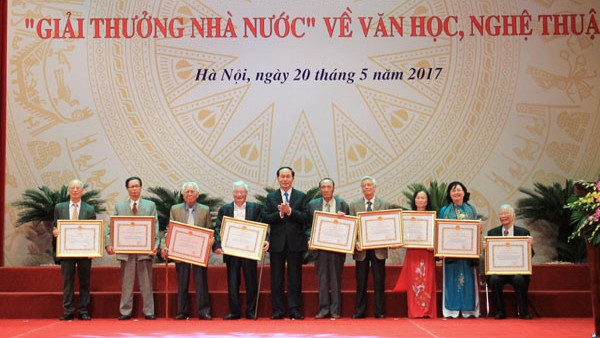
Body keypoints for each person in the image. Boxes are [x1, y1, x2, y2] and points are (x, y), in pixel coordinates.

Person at [105, 176, 160, 320]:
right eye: (132, 187)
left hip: (144, 250)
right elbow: (111, 227)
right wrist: (108, 244)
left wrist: (155, 245)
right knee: (127, 282)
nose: (134, 189)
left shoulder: (150, 205)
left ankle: (149, 311)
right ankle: (125, 312)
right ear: (127, 189)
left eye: (137, 186)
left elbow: (155, 227)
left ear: (141, 188)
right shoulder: (119, 206)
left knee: (146, 281)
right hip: (125, 251)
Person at [213, 181, 270, 320]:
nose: (239, 195)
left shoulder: (255, 208)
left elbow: (262, 226)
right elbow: (217, 229)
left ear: (246, 194)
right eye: (237, 192)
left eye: (242, 192)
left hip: (249, 252)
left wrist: (266, 240)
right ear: (233, 194)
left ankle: (251, 312)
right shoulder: (225, 209)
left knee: (251, 282)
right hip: (231, 252)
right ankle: (235, 312)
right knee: (233, 282)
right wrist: (217, 246)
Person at [263, 166, 310, 320]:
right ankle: (277, 310)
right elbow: (265, 217)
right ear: (277, 178)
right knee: (276, 278)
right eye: (282, 176)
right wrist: (280, 214)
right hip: (276, 243)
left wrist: (290, 211)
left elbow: (305, 218)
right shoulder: (271, 197)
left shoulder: (301, 197)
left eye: (287, 176)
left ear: (293, 178)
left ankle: (294, 310)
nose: (285, 179)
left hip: (295, 243)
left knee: (295, 278)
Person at [161, 182, 213, 320]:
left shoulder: (205, 209)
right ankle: (182, 312)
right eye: (187, 192)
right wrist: (164, 246)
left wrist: (211, 240)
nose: (189, 194)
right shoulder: (175, 209)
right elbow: (169, 230)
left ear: (197, 194)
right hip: (180, 252)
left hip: (199, 253)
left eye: (192, 191)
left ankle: (204, 311)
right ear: (183, 195)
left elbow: (210, 229)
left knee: (201, 282)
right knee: (182, 282)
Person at [52, 179, 97, 321]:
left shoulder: (89, 209)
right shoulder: (60, 207)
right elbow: (55, 226)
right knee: (68, 282)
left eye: (78, 188)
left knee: (85, 281)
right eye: (73, 188)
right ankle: (68, 310)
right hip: (66, 251)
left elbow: (94, 230)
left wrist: (93, 250)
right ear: (68, 191)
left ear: (82, 191)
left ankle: (83, 310)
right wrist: (55, 232)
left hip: (85, 251)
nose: (75, 190)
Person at [349, 176, 391, 319]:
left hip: (379, 249)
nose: (366, 187)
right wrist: (355, 242)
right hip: (361, 250)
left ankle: (379, 311)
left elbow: (388, 226)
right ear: (361, 188)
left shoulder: (384, 204)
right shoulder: (354, 205)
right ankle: (360, 311)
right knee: (361, 281)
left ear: (375, 187)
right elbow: (352, 228)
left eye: (369, 185)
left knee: (379, 281)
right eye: (364, 185)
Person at [308, 178, 350, 320]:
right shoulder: (312, 205)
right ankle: (324, 309)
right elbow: (308, 226)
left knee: (336, 279)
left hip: (337, 249)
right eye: (323, 187)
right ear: (320, 189)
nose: (326, 189)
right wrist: (310, 239)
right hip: (319, 249)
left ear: (333, 188)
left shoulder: (342, 204)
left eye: (329, 187)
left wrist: (345, 219)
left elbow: (350, 225)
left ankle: (335, 310)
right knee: (322, 279)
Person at [439, 181, 480, 318]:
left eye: (459, 190)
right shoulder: (445, 211)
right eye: (453, 190)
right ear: (449, 194)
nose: (456, 192)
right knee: (451, 279)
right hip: (451, 253)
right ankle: (452, 310)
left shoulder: (471, 209)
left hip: (467, 252)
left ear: (464, 192)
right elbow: (440, 231)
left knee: (468, 279)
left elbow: (475, 231)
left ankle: (469, 310)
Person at [393, 189, 437, 318]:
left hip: (427, 253)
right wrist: (397, 242)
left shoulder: (432, 218)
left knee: (427, 282)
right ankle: (415, 311)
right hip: (413, 252)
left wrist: (434, 246)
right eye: (418, 197)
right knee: (415, 282)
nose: (421, 200)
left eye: (423, 198)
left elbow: (438, 237)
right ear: (414, 200)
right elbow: (402, 235)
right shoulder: (407, 218)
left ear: (427, 200)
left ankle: (427, 311)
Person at [486, 204, 534, 320]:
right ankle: (500, 311)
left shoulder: (523, 233)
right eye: (501, 214)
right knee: (494, 279)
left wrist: (530, 247)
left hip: (517, 270)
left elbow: (530, 255)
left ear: (513, 216)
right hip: (499, 271)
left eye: (506, 213)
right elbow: (488, 257)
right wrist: (486, 249)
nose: (504, 216)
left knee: (519, 278)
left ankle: (523, 311)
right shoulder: (492, 233)